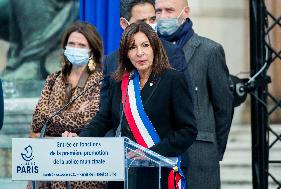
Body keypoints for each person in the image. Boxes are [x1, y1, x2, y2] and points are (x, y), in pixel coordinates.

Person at [63, 22, 197, 189]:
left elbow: (187, 130)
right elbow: (104, 119)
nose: (140, 53)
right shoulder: (118, 81)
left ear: (155, 47)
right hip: (123, 174)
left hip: (159, 174)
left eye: (145, 45)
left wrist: (151, 153)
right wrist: (81, 139)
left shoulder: (172, 79)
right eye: (132, 47)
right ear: (126, 53)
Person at [154, 0, 234, 189]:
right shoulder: (147, 52)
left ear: (185, 12)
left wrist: (213, 148)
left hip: (200, 155)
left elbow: (223, 106)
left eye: (169, 10)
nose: (163, 16)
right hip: (157, 152)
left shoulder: (209, 50)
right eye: (158, 11)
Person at [28, 22, 106, 189]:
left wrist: (50, 118)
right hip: (47, 169)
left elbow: (88, 121)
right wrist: (74, 115)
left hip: (84, 172)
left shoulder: (101, 81)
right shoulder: (53, 79)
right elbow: (37, 121)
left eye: (81, 45)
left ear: (92, 50)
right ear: (64, 47)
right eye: (71, 44)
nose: (76, 48)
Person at [100, 0, 188, 106]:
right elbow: (105, 109)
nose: (149, 26)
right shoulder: (111, 61)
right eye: (142, 22)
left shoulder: (173, 53)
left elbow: (184, 103)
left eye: (152, 19)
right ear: (124, 24)